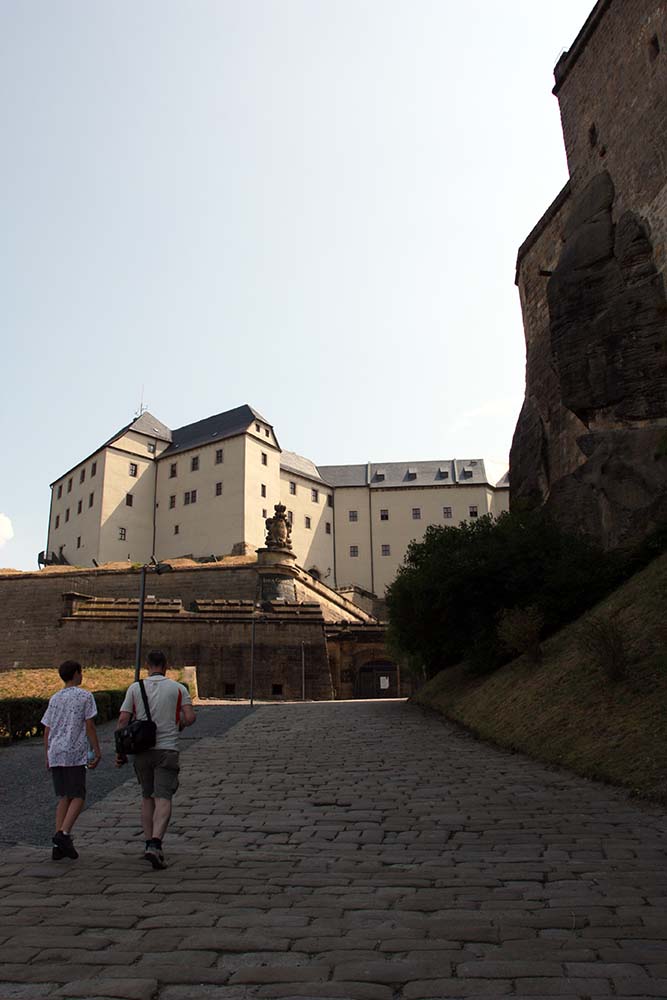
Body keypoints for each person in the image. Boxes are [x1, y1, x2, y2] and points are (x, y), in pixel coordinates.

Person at [115, 650, 195, 869]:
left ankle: (147, 842)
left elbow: (123, 720)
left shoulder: (135, 688)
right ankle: (156, 843)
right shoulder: (179, 688)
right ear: (166, 666)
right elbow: (190, 717)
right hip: (167, 749)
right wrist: (179, 723)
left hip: (142, 750)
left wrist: (120, 751)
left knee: (147, 796)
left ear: (147, 665)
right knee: (164, 798)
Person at [41, 660, 102, 861]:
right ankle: (63, 834)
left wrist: (47, 754)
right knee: (78, 795)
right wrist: (96, 749)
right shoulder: (85, 696)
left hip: (56, 751)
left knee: (64, 796)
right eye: (81, 672)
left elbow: (47, 730)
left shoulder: (55, 698)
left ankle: (57, 845)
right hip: (74, 751)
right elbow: (89, 725)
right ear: (76, 674)